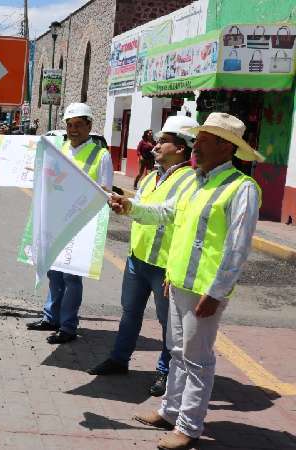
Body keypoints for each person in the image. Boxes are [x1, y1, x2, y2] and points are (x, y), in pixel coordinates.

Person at [110, 112, 263, 450]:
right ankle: (170, 410)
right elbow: (166, 213)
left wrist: (217, 292)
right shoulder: (197, 181)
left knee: (197, 358)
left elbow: (237, 249)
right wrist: (130, 207)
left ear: (226, 146)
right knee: (177, 351)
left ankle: (189, 426)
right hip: (177, 281)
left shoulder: (242, 189)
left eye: (205, 139)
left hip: (204, 291)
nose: (198, 144)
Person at [88, 116, 199, 397]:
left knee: (168, 325)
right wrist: (120, 198)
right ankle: (119, 358)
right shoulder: (151, 176)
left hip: (165, 265)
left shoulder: (191, 181)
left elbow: (164, 212)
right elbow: (143, 203)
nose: (156, 145)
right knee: (129, 313)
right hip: (138, 258)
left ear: (181, 148)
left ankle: (165, 371)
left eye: (163, 141)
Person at [26, 102, 113, 344]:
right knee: (54, 273)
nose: (73, 130)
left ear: (89, 126)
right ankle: (50, 317)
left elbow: (105, 191)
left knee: (72, 278)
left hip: (81, 225)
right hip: (56, 220)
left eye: (78, 125)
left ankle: (68, 326)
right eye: (70, 125)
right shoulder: (59, 149)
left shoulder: (101, 155)